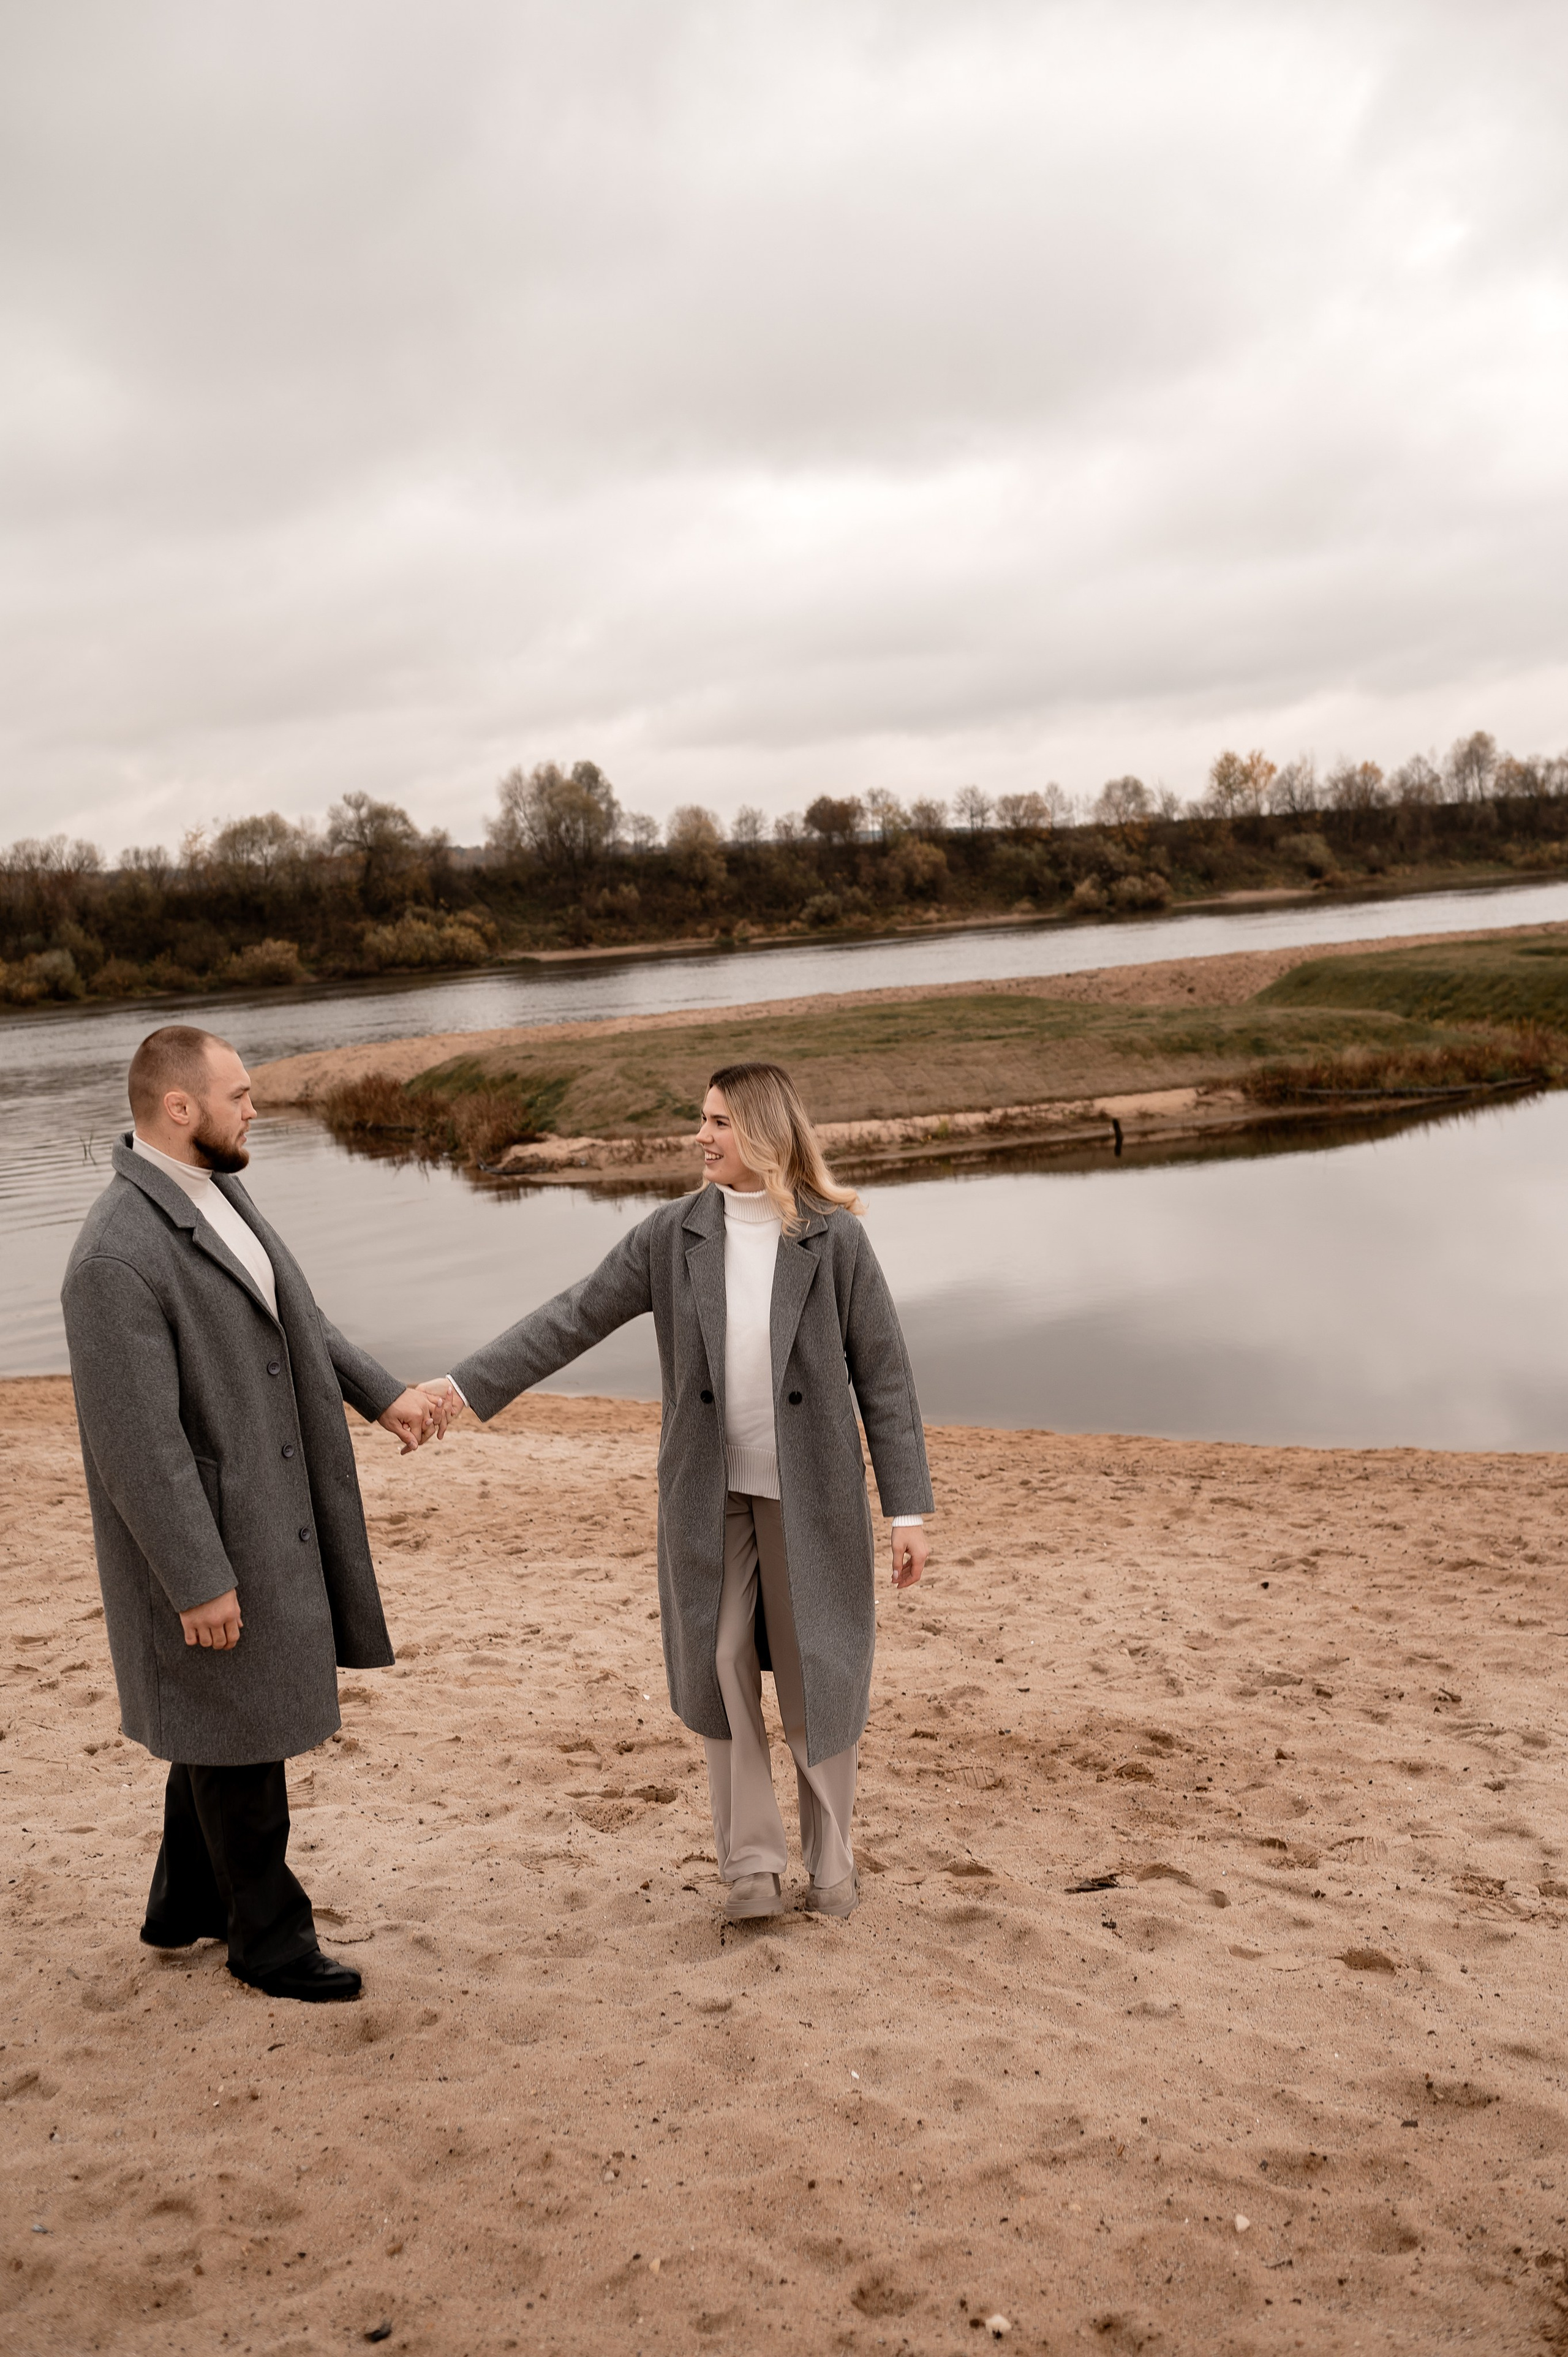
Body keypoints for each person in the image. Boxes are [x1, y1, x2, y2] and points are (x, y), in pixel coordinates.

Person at [430, 1059, 933, 1921]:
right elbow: (574, 1315)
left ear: (766, 1133)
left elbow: (884, 1377)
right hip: (709, 1495)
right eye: (702, 1120)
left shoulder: (834, 1240)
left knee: (822, 1673)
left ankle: (833, 1866)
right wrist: (462, 1389)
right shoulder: (671, 1236)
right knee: (719, 1664)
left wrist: (907, 1509)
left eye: (719, 1122)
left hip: (812, 1496)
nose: (701, 1136)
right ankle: (750, 1871)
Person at [61, 1024, 445, 2003]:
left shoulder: (216, 1191)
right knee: (240, 1732)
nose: (255, 1107)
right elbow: (135, 1448)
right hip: (215, 1533)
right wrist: (197, 1579)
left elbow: (296, 1313)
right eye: (239, 1094)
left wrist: (382, 1393)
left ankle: (183, 1902)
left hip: (269, 1508)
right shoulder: (113, 1257)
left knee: (221, 1715)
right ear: (179, 1109)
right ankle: (268, 1942)